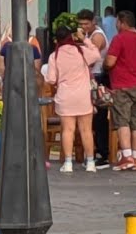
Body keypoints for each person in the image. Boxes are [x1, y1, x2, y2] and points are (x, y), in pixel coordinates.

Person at [45, 19, 101, 173]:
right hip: (83, 96)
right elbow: (96, 55)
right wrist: (85, 40)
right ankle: (90, 162)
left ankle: (68, 162)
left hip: (65, 96)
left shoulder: (54, 56)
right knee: (86, 130)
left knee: (67, 130)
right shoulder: (81, 51)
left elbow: (50, 79)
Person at [104, 11, 136, 172]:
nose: (116, 25)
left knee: (122, 121)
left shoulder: (119, 39)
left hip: (122, 86)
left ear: (122, 22)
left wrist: (106, 66)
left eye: (117, 23)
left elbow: (110, 61)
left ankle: (126, 157)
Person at [76, 9, 112, 169]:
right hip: (89, 78)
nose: (84, 27)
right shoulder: (88, 36)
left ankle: (103, 154)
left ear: (93, 23)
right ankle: (94, 150)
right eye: (81, 24)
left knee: (99, 117)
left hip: (98, 77)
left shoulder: (97, 36)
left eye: (86, 24)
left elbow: (91, 57)